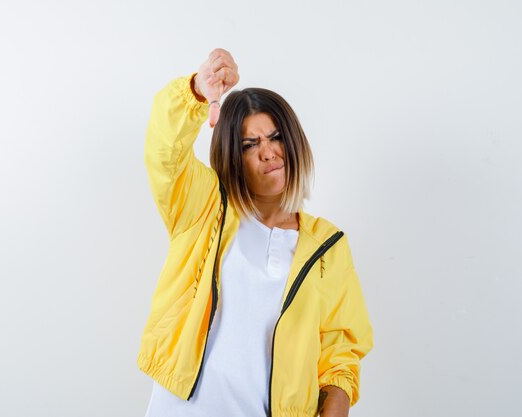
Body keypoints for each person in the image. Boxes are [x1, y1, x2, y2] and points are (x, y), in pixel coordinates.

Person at [137, 48, 373, 417]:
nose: (268, 152)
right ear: (233, 155)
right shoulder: (205, 209)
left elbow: (339, 354)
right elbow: (164, 152)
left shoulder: (328, 245)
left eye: (275, 137)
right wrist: (197, 91)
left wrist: (336, 406)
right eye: (250, 144)